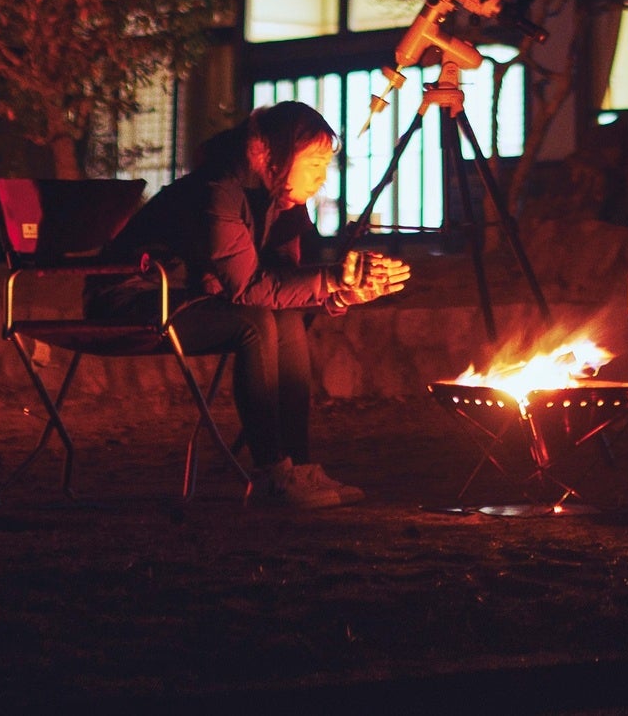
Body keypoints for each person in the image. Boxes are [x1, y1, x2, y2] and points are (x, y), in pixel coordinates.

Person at [106, 100, 406, 507]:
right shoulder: (221, 191)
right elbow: (247, 288)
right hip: (133, 298)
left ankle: (298, 467)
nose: (321, 177)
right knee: (255, 324)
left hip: (190, 296)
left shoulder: (281, 202)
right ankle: (272, 474)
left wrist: (345, 290)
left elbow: (290, 282)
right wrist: (330, 279)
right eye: (314, 162)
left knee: (282, 319)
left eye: (325, 164)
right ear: (273, 155)